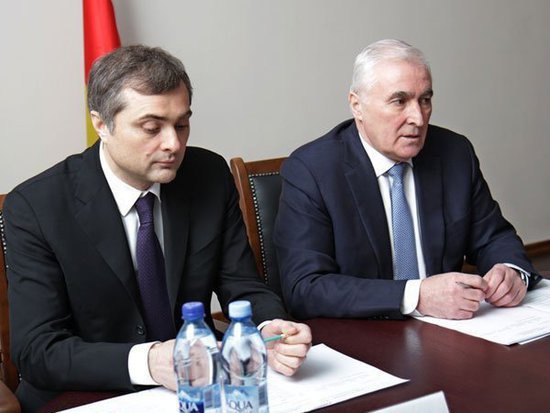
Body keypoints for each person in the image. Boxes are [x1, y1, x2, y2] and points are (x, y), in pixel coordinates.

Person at [4, 45, 311, 412]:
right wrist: (148, 362)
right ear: (101, 124)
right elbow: (37, 350)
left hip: (198, 385)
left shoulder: (208, 175)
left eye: (181, 124)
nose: (173, 144)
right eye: (152, 128)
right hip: (85, 395)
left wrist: (267, 329)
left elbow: (241, 285)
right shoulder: (36, 207)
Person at [274, 39, 540, 321]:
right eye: (399, 101)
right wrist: (416, 296)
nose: (418, 118)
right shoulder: (312, 170)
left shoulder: (454, 153)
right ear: (357, 105)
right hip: (365, 333)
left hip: (453, 329)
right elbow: (305, 287)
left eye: (425, 100)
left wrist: (511, 272)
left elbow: (494, 237)